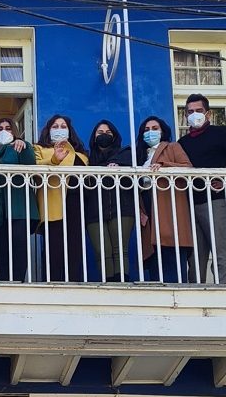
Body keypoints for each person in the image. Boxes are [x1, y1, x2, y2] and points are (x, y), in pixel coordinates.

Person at [178, 93, 226, 284]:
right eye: (190, 112)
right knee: (195, 256)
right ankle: (196, 293)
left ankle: (223, 289)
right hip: (188, 204)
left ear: (208, 113)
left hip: (214, 201)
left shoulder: (219, 133)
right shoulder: (182, 143)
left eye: (199, 111)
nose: (194, 115)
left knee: (219, 249)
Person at [136, 116, 193, 283]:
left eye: (155, 128)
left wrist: (164, 165)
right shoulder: (140, 154)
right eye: (146, 130)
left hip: (167, 205)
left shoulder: (172, 147)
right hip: (148, 203)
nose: (150, 132)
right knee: (154, 252)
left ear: (162, 131)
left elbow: (188, 167)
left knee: (170, 248)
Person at [33, 114, 88, 282]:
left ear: (69, 131)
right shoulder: (40, 149)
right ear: (48, 131)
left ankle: (74, 285)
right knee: (53, 249)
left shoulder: (80, 154)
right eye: (55, 126)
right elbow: (35, 168)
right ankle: (52, 284)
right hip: (53, 204)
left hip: (75, 203)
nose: (59, 129)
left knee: (74, 248)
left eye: (63, 126)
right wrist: (54, 159)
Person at [0, 118, 39, 282]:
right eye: (0, 128)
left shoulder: (20, 147)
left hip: (19, 209)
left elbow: (31, 162)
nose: (4, 131)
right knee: (2, 251)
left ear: (14, 132)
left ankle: (19, 284)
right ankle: (7, 283)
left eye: (8, 128)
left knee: (19, 249)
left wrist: (24, 144)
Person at [85, 120, 135, 282]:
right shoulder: (88, 159)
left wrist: (119, 166)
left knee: (120, 249)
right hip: (94, 209)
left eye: (108, 132)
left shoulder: (125, 153)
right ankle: (109, 283)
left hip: (122, 207)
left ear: (114, 136)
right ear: (94, 137)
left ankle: (122, 283)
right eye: (100, 132)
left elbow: (134, 175)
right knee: (102, 251)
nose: (104, 135)